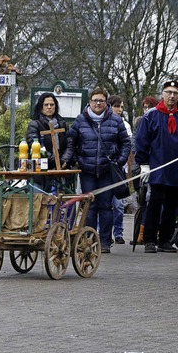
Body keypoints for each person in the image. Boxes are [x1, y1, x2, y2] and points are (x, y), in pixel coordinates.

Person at [67, 87, 131, 254]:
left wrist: (119, 161)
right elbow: (70, 142)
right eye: (95, 100)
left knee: (105, 207)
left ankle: (104, 242)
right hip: (87, 170)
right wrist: (75, 160)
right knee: (89, 207)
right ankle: (88, 239)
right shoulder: (80, 120)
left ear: (106, 102)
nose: (98, 103)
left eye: (101, 100)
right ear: (89, 102)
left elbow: (126, 143)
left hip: (106, 171)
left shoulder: (116, 121)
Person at [135, 80, 178, 254]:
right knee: (154, 202)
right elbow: (141, 140)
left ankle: (165, 239)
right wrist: (143, 163)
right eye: (169, 92)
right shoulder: (151, 116)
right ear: (163, 94)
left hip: (176, 169)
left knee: (172, 204)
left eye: (175, 93)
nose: (172, 96)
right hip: (157, 167)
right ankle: (149, 239)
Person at [26, 92, 74, 192]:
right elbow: (35, 146)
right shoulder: (34, 124)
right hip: (40, 170)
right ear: (41, 107)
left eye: (52, 105)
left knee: (59, 202)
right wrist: (54, 160)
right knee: (38, 201)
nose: (49, 107)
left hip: (61, 169)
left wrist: (63, 161)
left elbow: (70, 144)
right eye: (46, 105)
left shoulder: (62, 124)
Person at [133, 95, 160, 245]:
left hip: (157, 165)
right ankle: (140, 233)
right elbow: (136, 143)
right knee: (143, 201)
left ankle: (150, 232)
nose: (146, 110)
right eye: (144, 107)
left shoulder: (157, 119)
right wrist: (142, 163)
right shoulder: (140, 122)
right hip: (142, 167)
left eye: (149, 106)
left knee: (152, 200)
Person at [108, 94, 132, 244]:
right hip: (105, 168)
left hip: (119, 169)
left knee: (118, 204)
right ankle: (102, 232)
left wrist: (121, 161)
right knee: (104, 203)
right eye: (117, 106)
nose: (120, 109)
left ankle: (118, 232)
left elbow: (127, 145)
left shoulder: (125, 125)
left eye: (122, 106)